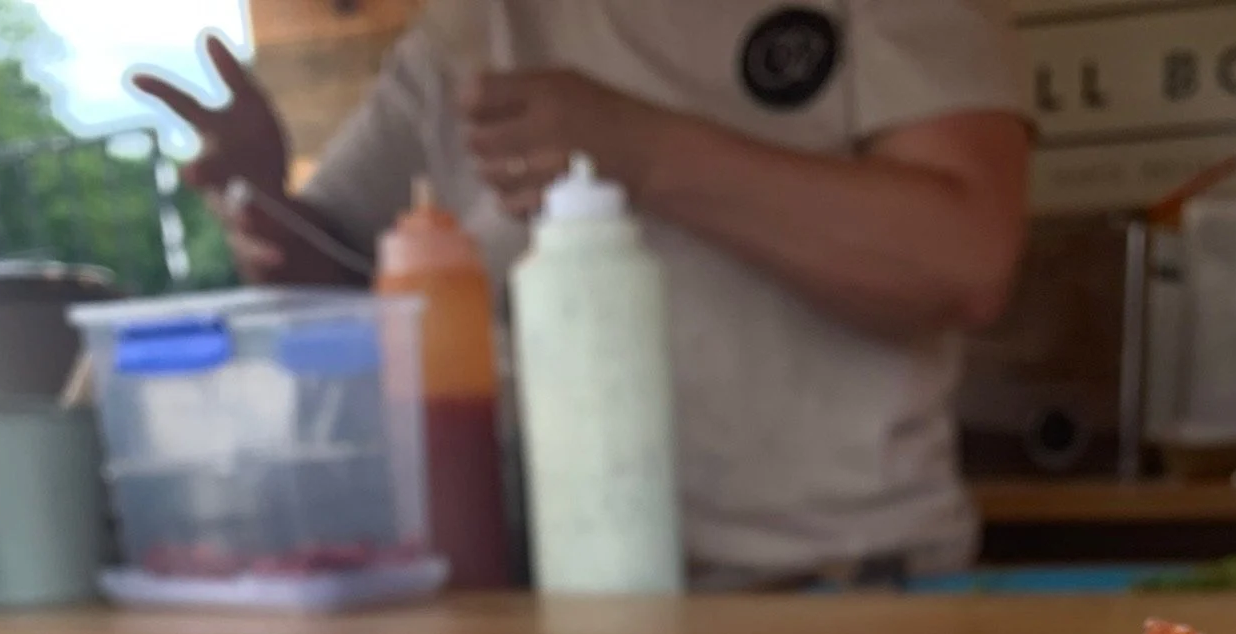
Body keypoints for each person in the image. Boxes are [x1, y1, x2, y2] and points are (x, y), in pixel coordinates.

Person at [135, 6, 1028, 587]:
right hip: (546, 605)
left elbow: (964, 259)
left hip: (845, 593)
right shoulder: (466, 33)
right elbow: (339, 283)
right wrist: (260, 202)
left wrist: (641, 149)